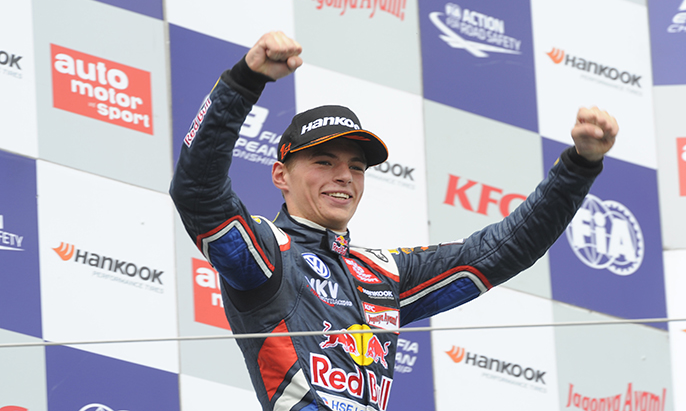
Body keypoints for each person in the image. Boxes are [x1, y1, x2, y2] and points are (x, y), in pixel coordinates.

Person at [170, 32, 618, 411]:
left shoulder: (384, 272)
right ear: (280, 175)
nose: (344, 176)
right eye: (324, 162)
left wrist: (580, 166)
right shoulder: (266, 254)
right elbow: (197, 193)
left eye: (356, 167)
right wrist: (244, 82)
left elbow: (501, 252)